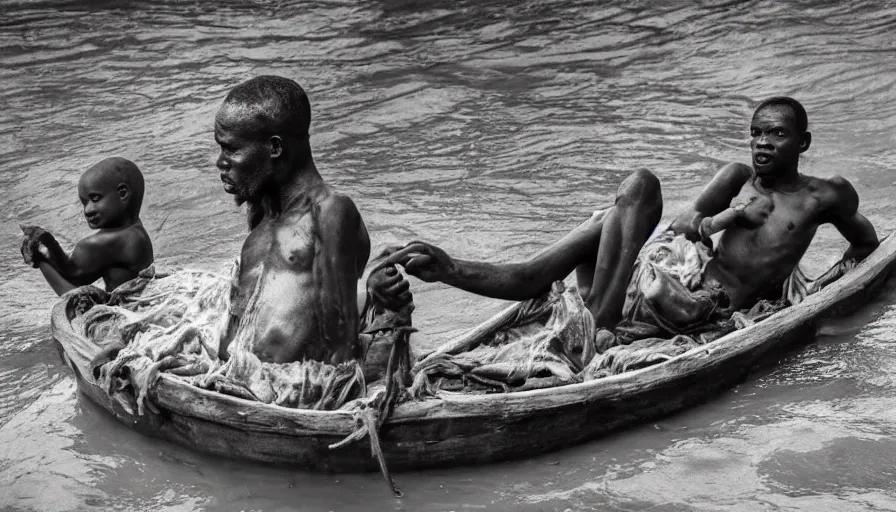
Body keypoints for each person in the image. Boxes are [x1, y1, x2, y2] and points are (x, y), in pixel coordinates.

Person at [381, 97, 880, 338]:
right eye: (755, 134)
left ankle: (599, 317)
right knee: (639, 187)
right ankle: (450, 269)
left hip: (697, 304)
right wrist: (730, 216)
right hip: (664, 273)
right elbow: (688, 227)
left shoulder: (825, 196)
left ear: (803, 143)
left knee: (628, 209)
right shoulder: (735, 178)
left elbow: (865, 245)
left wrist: (819, 289)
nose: (762, 145)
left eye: (775, 135)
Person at [215, 75, 410, 366]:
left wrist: (381, 303)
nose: (220, 161)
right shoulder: (263, 208)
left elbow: (341, 346)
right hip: (232, 375)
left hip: (288, 389)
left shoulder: (331, 212)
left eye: (231, 149)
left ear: (275, 148)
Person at [20, 157, 154, 296]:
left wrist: (41, 252)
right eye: (84, 203)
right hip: (140, 299)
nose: (88, 210)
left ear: (122, 194)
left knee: (75, 297)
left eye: (95, 199)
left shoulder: (112, 241)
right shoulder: (136, 231)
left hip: (124, 307)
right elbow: (73, 265)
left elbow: (74, 276)